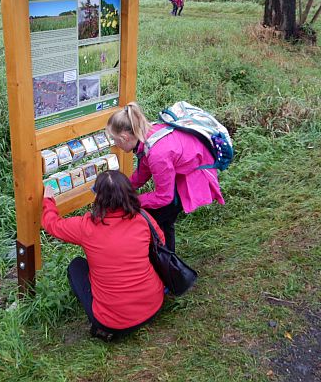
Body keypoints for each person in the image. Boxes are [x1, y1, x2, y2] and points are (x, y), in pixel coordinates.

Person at [41, 170, 165, 341]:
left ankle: (101, 326)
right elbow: (161, 243)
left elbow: (52, 224)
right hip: (153, 305)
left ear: (98, 197)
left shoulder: (86, 226)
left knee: (76, 266)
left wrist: (48, 200)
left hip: (114, 323)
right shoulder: (143, 218)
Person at [106, 102, 225, 252]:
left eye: (115, 140)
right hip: (180, 174)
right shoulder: (149, 134)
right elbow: (144, 170)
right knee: (164, 222)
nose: (116, 144)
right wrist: (120, 188)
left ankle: (165, 264)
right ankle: (168, 262)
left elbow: (164, 197)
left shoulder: (158, 154)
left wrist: (130, 201)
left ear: (124, 137)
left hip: (189, 180)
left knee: (154, 221)